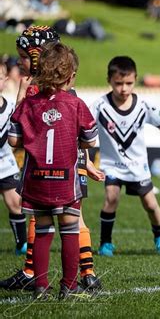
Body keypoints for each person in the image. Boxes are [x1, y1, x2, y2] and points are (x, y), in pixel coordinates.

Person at [0, 25, 102, 292]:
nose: (19, 62)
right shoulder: (69, 90)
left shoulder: (35, 91)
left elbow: (19, 131)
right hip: (71, 164)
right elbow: (80, 131)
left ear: (37, 56)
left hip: (46, 168)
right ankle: (86, 274)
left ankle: (33, 273)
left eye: (23, 56)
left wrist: (21, 94)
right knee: (73, 220)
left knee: (42, 220)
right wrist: (86, 161)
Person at [90, 56, 160, 257]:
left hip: (138, 166)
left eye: (128, 83)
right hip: (112, 165)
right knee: (111, 198)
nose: (123, 88)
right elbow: (84, 129)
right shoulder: (99, 106)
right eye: (118, 83)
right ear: (109, 80)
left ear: (135, 79)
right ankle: (106, 243)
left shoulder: (143, 105)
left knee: (151, 204)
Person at [0, 61, 26, 255]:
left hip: (5, 166)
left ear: (5, 80)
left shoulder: (10, 108)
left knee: (15, 203)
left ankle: (22, 244)